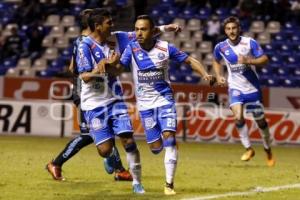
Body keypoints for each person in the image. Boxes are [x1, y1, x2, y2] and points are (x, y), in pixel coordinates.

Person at [113, 15, 211, 195]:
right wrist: (111, 65)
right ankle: (168, 147)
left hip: (165, 100)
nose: (139, 33)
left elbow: (190, 60)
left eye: (143, 29)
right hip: (145, 106)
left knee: (170, 139)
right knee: (156, 148)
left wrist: (204, 74)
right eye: (137, 29)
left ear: (153, 31)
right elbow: (119, 68)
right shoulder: (131, 49)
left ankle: (169, 184)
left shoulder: (165, 48)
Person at [46, 9, 132, 182]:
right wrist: (98, 69)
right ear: (94, 24)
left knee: (104, 129)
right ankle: (56, 163)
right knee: (89, 134)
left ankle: (118, 169)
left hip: (93, 92)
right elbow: (76, 70)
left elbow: (71, 67)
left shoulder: (86, 41)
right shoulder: (84, 42)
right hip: (85, 93)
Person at [76, 8, 145, 194]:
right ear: (97, 27)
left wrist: (167, 27)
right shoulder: (84, 46)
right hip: (93, 104)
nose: (112, 25)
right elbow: (85, 77)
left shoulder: (116, 40)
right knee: (105, 150)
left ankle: (137, 182)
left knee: (128, 140)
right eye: (108, 23)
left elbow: (143, 31)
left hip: (115, 100)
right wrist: (102, 68)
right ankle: (108, 157)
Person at [212, 16, 275, 167]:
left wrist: (249, 61)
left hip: (252, 89)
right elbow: (216, 60)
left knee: (260, 122)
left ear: (239, 28)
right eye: (228, 29)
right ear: (225, 31)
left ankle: (267, 149)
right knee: (238, 117)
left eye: (234, 28)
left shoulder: (249, 42)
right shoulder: (220, 47)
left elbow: (264, 59)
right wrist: (219, 76)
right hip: (235, 87)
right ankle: (248, 148)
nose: (231, 31)